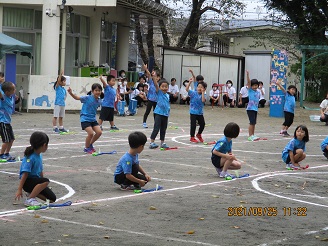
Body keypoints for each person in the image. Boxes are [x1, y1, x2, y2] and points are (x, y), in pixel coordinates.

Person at [15, 131, 56, 206]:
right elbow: (25, 174)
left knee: (52, 199)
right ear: (44, 145)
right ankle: (30, 199)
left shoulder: (39, 155)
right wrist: (19, 189)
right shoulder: (30, 158)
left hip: (36, 182)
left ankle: (32, 193)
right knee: (46, 181)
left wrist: (43, 185)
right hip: (28, 183)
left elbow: (40, 171)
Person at [68, 83, 103, 154]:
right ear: (92, 91)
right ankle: (86, 148)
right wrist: (71, 93)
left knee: (99, 132)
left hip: (93, 119)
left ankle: (90, 145)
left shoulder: (99, 100)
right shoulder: (87, 98)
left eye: (99, 90)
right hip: (85, 118)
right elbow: (76, 98)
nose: (98, 92)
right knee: (90, 133)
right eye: (96, 90)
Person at [149, 78, 170, 149]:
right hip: (158, 113)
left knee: (163, 129)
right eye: (162, 86)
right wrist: (154, 78)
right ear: (160, 87)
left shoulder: (168, 95)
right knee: (156, 128)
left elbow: (167, 105)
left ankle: (162, 142)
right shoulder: (159, 93)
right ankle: (152, 142)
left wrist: (168, 112)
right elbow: (156, 85)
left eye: (166, 86)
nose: (164, 88)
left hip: (165, 114)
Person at [186, 77, 207, 143]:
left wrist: (203, 92)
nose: (199, 88)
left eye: (201, 87)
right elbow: (186, 89)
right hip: (193, 112)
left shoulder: (204, 95)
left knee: (203, 124)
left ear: (204, 89)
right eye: (198, 87)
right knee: (193, 124)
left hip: (200, 113)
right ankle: (192, 137)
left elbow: (203, 100)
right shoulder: (193, 93)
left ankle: (199, 134)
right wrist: (190, 82)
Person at [0, 81, 16, 161]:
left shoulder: (11, 97)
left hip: (8, 122)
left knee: (12, 139)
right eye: (13, 89)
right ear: (7, 92)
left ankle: (7, 153)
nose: (15, 90)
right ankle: (1, 154)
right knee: (6, 140)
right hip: (2, 122)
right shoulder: (3, 98)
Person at [245, 71, 261, 141]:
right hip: (250, 108)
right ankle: (250, 136)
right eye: (253, 85)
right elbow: (248, 82)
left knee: (254, 122)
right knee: (251, 122)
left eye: (256, 85)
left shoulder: (258, 91)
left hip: (255, 109)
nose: (255, 86)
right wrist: (248, 75)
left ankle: (253, 135)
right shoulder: (250, 90)